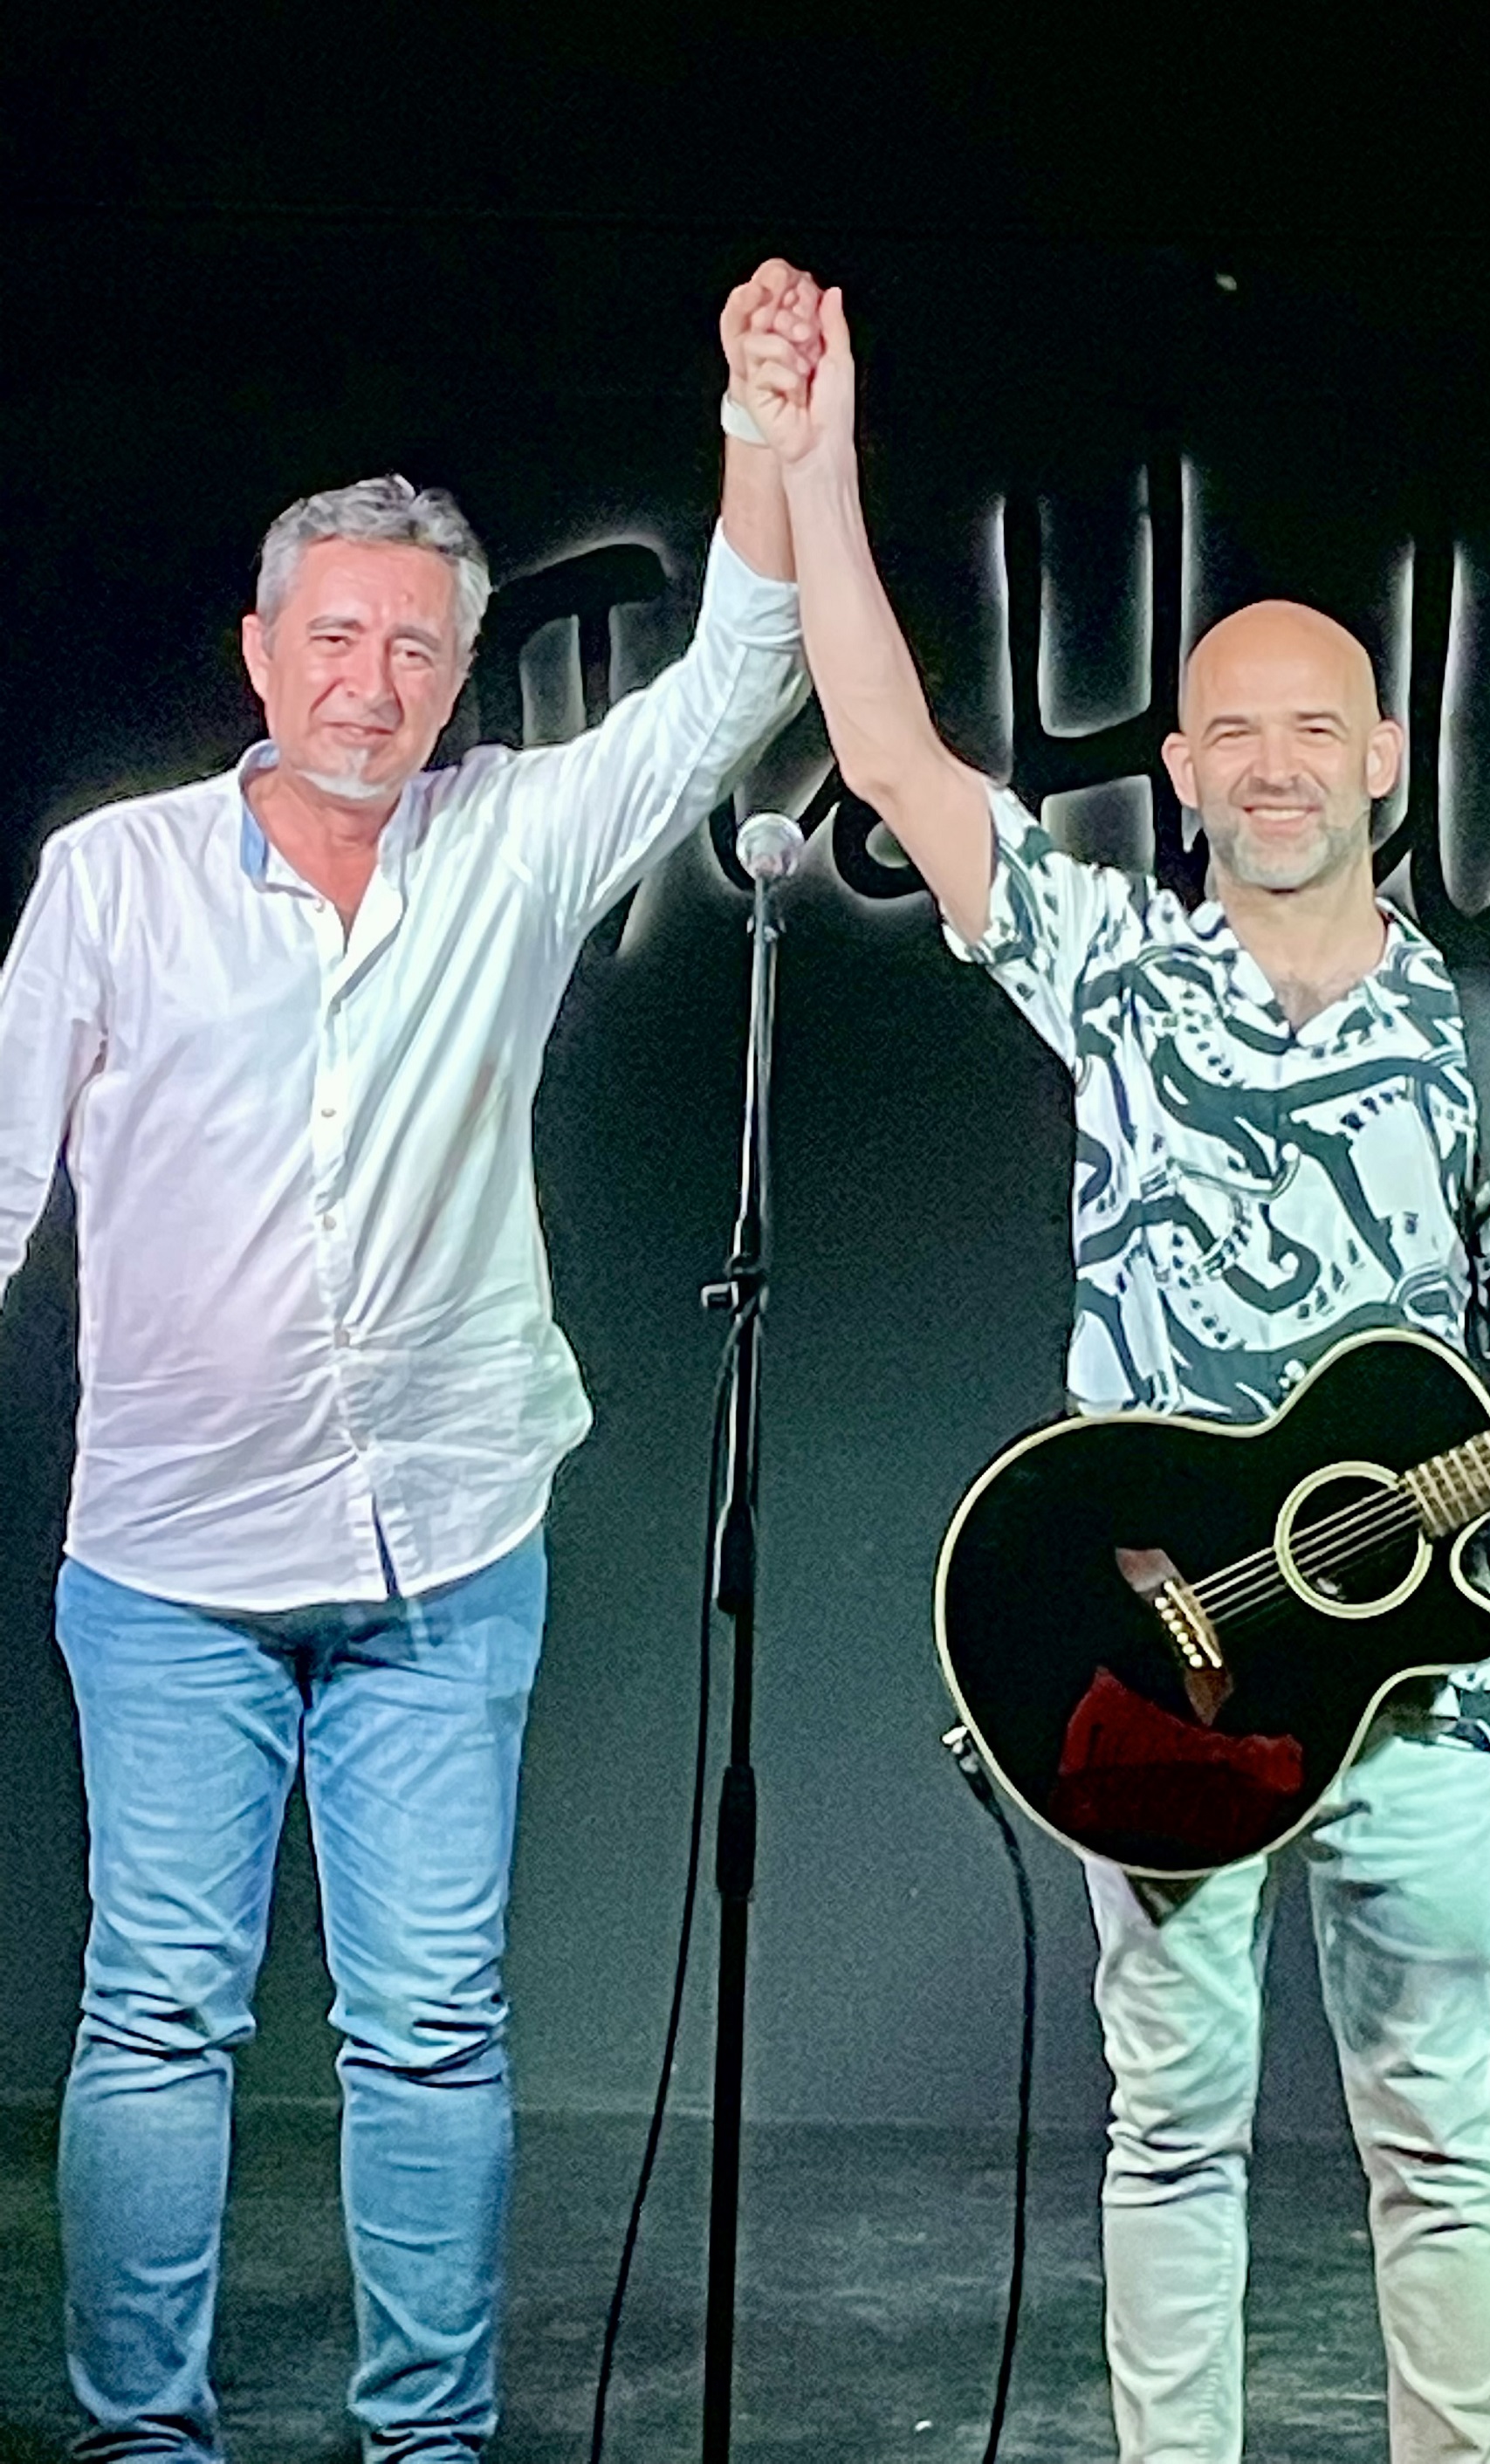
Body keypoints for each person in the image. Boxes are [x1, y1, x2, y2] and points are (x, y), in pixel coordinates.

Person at [731, 285, 1490, 2462]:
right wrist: (815, 455)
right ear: (1179, 771)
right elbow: (890, 760)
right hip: (1167, 1671)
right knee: (1171, 2139)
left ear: (1383, 757)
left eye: (1313, 728)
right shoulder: (1118, 977)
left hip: (1417, 1695)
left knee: (1440, 2134)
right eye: (1231, 732)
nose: (1272, 764)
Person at [0, 264, 815, 2464]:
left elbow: (734, 677)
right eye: (335, 638)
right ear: (262, 653)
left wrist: (760, 423)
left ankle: (428, 2445)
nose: (372, 682)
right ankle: (143, 2441)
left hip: (445, 1543)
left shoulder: (512, 844)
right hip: (171, 1561)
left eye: (418, 649)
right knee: (156, 2016)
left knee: (434, 2025)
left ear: (461, 678)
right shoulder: (113, 881)